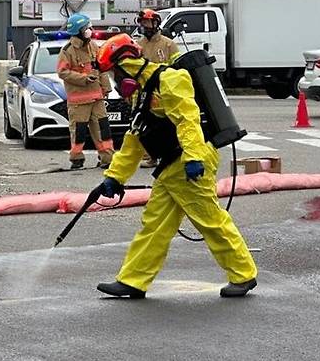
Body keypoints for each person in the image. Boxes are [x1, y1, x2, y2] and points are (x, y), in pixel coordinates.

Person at [94, 34, 258, 299]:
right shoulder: (141, 92)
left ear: (124, 65)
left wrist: (193, 157)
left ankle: (243, 274)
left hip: (189, 162)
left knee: (210, 221)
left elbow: (188, 119)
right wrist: (114, 177)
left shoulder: (170, 79)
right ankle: (132, 281)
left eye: (113, 73)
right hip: (172, 166)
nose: (114, 81)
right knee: (155, 225)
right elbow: (136, 137)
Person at [57, 13, 114, 169]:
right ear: (78, 31)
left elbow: (101, 68)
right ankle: (77, 159)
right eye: (86, 28)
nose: (90, 30)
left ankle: (107, 159)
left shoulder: (93, 46)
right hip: (78, 101)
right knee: (79, 131)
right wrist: (83, 79)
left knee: (103, 129)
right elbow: (62, 72)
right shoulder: (67, 51)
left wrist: (106, 87)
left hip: (96, 98)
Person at [135, 8, 180, 168]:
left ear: (155, 23)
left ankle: (171, 154)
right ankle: (151, 157)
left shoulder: (168, 44)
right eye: (142, 23)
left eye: (147, 23)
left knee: (169, 123)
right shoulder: (138, 45)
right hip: (146, 92)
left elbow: (177, 68)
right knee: (147, 124)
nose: (144, 26)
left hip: (165, 91)